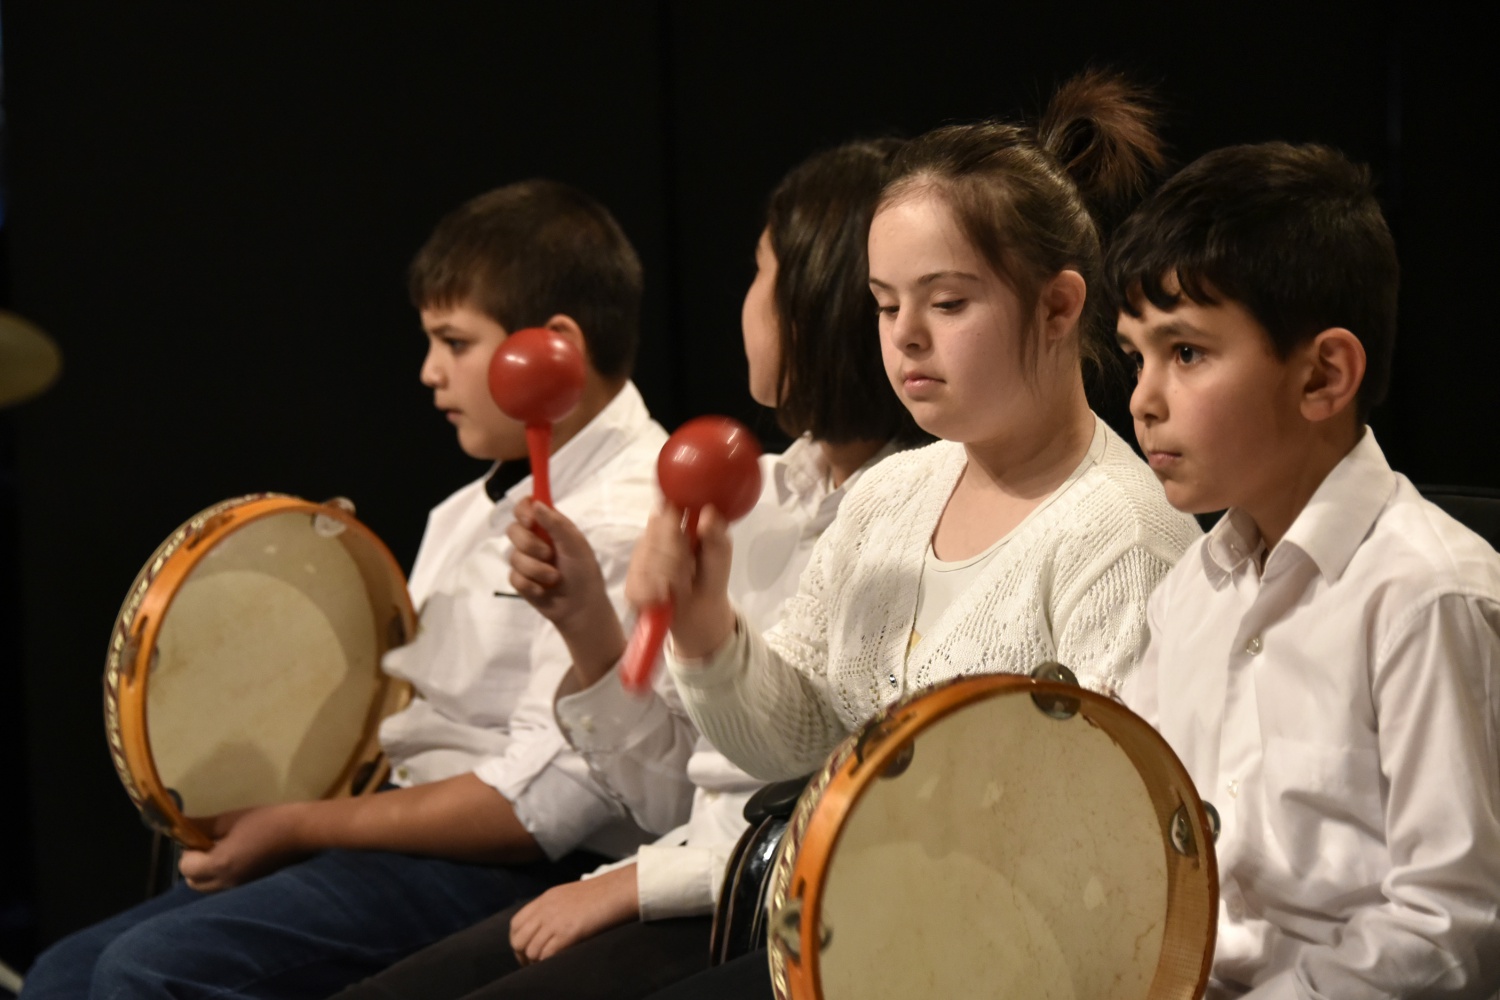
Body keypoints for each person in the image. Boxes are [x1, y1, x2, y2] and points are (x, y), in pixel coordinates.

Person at [20, 180, 676, 1000]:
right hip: (407, 839)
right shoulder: (466, 508)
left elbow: (535, 811)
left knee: (148, 975)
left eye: (453, 341)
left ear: (554, 349)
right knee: (62, 975)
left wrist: (295, 826)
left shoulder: (625, 517)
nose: (429, 372)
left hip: (515, 868)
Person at [631, 71, 1203, 999]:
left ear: (1059, 308)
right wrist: (705, 627)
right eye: (886, 303)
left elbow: (1114, 853)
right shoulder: (889, 494)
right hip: (842, 946)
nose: (905, 341)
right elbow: (795, 742)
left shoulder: (1121, 535)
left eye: (947, 304)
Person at [327, 138, 927, 1000]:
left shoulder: (904, 512)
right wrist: (587, 623)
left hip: (774, 901)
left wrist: (634, 884)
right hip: (684, 868)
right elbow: (664, 791)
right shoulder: (757, 495)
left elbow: (824, 801)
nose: (746, 301)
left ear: (819, 306)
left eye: (761, 274)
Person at [1109, 141, 1500, 998]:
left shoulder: (1427, 596)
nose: (1142, 398)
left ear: (1323, 375)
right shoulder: (1191, 592)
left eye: (1186, 353)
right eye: (1136, 355)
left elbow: (1452, 927)